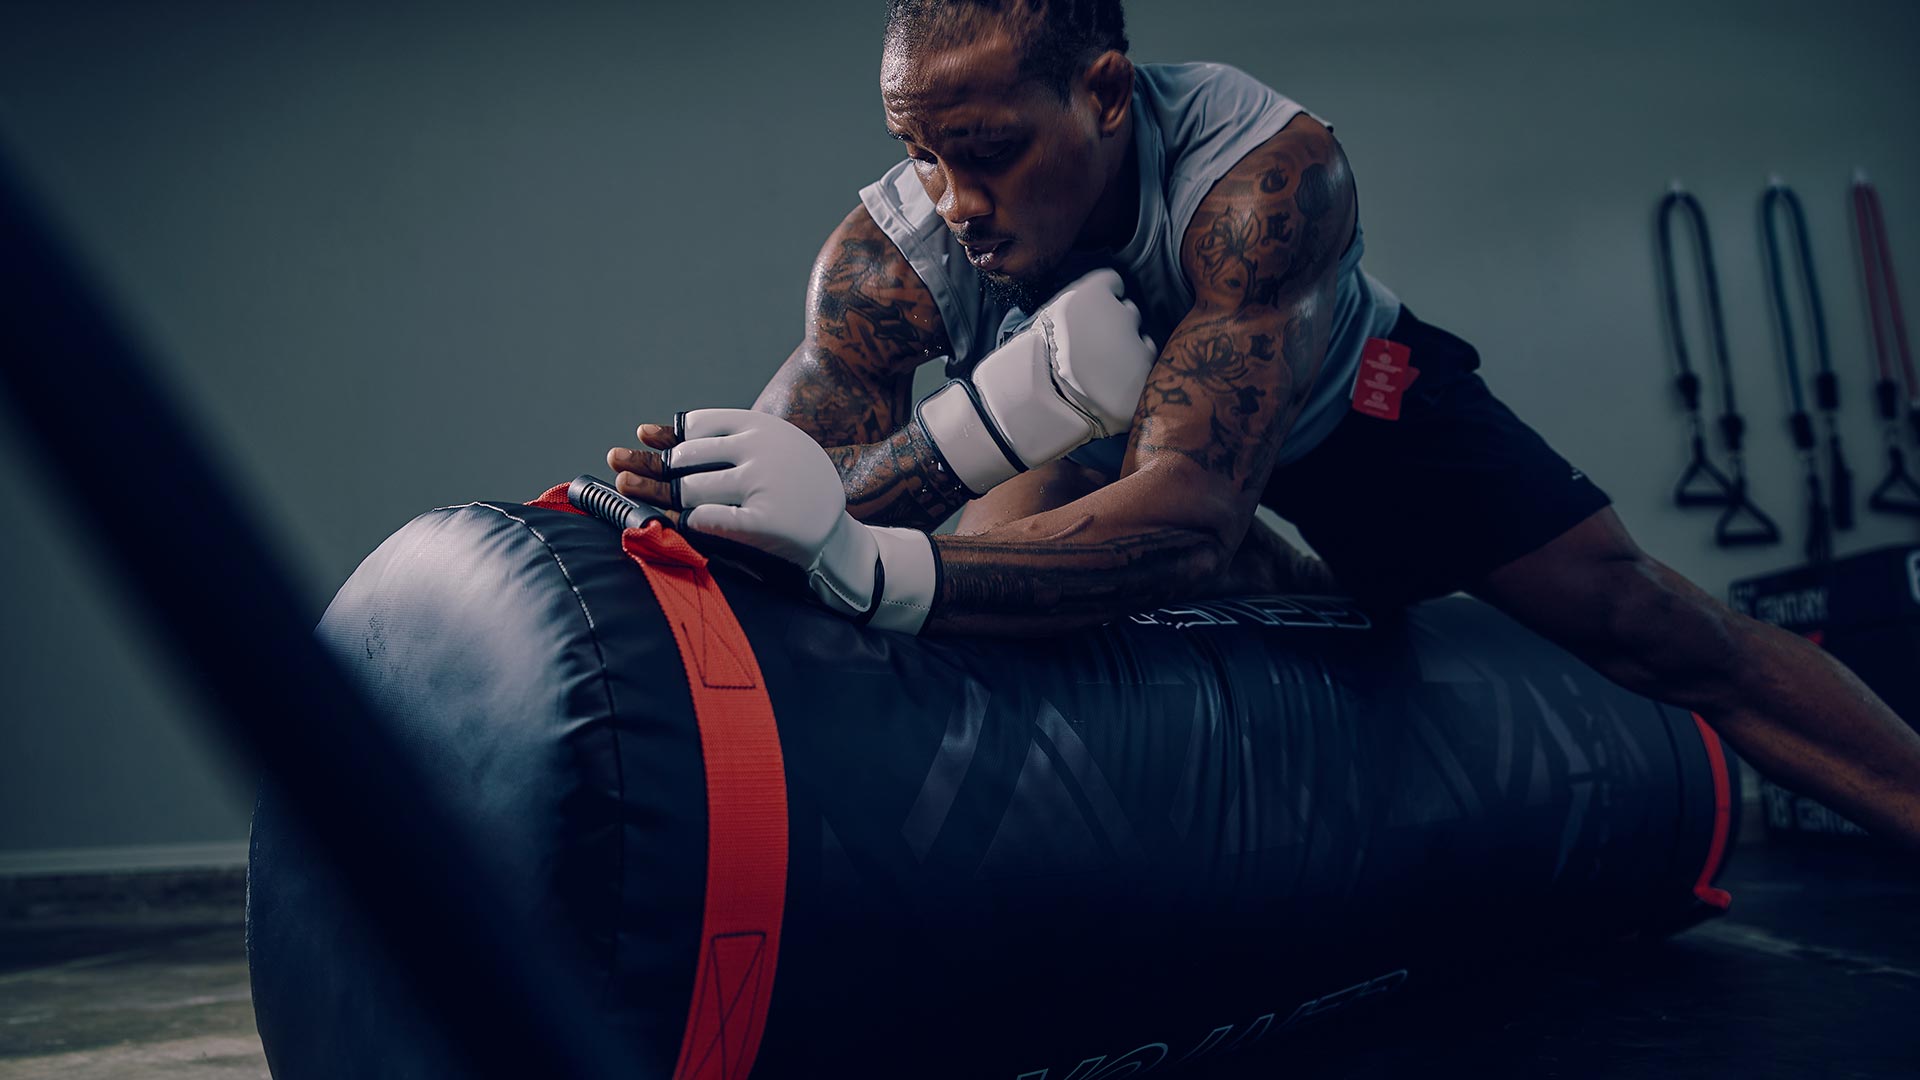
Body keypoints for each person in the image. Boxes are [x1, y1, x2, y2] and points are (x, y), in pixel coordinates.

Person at [607, 0, 1920, 849]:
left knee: (1654, 626)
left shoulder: (1264, 180)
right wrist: (963, 438)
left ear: (1107, 95)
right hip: (1087, 445)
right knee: (997, 643)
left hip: (1349, 407)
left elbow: (1186, 517)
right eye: (922, 153)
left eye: (991, 152)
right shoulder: (888, 261)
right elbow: (792, 514)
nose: (953, 197)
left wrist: (867, 548)